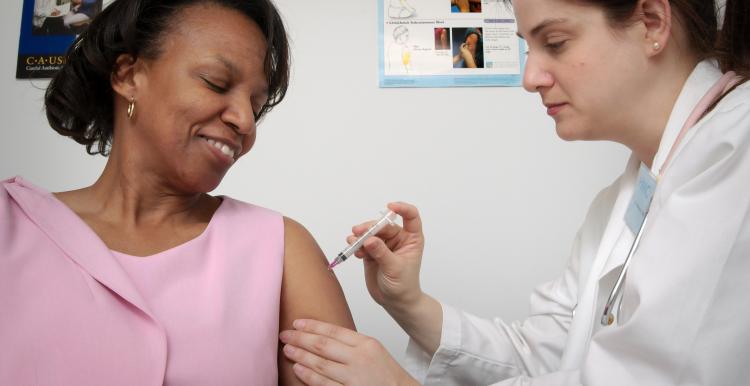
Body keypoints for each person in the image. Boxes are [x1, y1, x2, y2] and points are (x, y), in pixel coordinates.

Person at [279, 0, 750, 385]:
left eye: (556, 43)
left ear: (651, 22)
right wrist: (407, 301)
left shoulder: (736, 147)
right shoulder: (625, 196)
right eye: (528, 48)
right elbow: (545, 352)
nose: (530, 78)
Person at [0, 0, 354, 385]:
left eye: (256, 105)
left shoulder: (284, 249)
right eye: (216, 82)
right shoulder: (10, 223)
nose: (245, 122)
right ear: (128, 75)